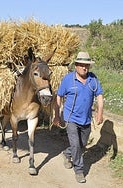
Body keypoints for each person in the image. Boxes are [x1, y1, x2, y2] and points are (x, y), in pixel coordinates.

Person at [53, 51, 104, 183]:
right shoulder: (68, 79)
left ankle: (67, 153)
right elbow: (59, 96)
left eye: (86, 65)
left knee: (82, 144)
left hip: (86, 118)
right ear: (76, 65)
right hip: (71, 118)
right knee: (76, 144)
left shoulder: (93, 79)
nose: (84, 67)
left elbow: (99, 95)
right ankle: (79, 170)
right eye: (81, 65)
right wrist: (57, 115)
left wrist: (99, 113)